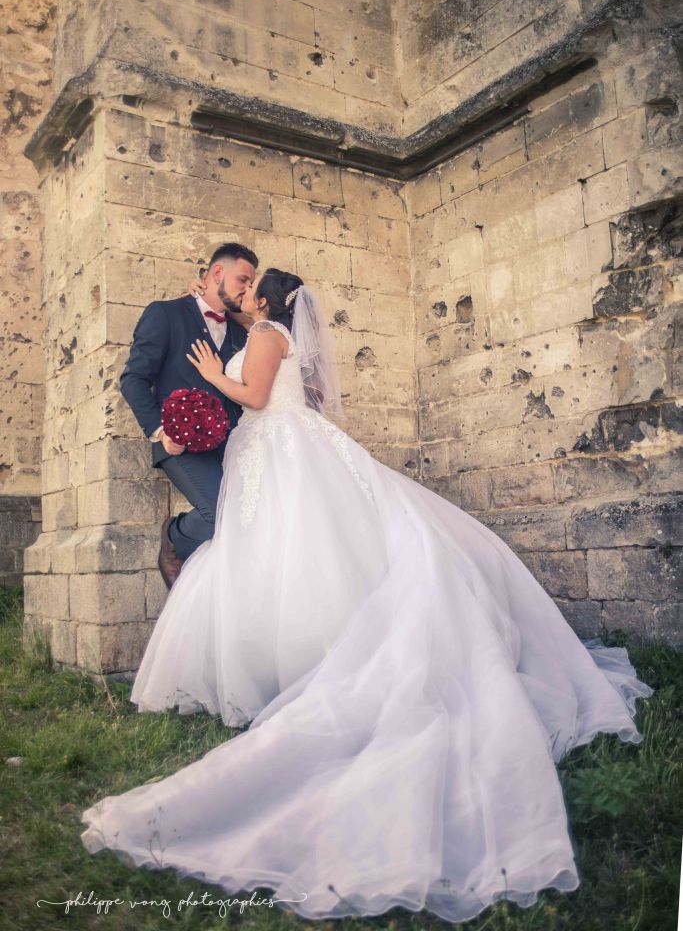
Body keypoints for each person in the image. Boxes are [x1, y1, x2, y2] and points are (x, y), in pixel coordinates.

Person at [81, 268, 654, 923]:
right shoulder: (274, 330)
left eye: (249, 289)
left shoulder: (265, 332)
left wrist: (213, 373)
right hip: (278, 448)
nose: (241, 297)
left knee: (291, 550)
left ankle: (302, 662)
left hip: (275, 440)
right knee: (285, 547)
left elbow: (259, 397)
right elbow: (306, 393)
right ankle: (289, 660)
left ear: (266, 301)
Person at [119, 242, 258, 587]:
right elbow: (134, 379)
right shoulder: (165, 313)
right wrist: (161, 432)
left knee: (250, 518)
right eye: (243, 279)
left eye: (252, 283)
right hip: (179, 443)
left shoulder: (244, 333)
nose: (248, 289)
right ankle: (175, 538)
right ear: (216, 273)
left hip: (233, 445)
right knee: (217, 516)